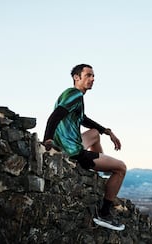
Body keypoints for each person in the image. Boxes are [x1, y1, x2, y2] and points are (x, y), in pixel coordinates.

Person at [43, 64, 127, 231]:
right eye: (88, 75)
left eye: (93, 76)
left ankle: (98, 170)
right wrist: (48, 139)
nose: (92, 79)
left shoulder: (75, 98)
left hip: (70, 144)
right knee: (121, 168)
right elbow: (56, 115)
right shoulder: (73, 93)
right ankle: (104, 214)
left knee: (95, 133)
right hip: (74, 152)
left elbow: (83, 119)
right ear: (77, 77)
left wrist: (107, 131)